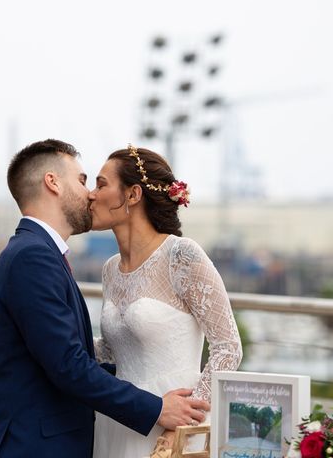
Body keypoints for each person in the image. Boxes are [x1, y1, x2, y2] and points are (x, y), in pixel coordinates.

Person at [0, 139, 210, 458]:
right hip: (36, 446)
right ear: (53, 182)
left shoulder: (35, 253)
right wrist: (155, 408)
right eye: (83, 179)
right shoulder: (33, 257)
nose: (90, 193)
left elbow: (63, 354)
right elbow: (68, 365)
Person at [89, 145, 243, 458]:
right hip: (121, 419)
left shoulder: (181, 256)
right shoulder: (110, 269)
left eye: (101, 184)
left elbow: (228, 348)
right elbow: (112, 349)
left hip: (175, 424)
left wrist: (186, 419)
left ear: (133, 195)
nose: (91, 195)